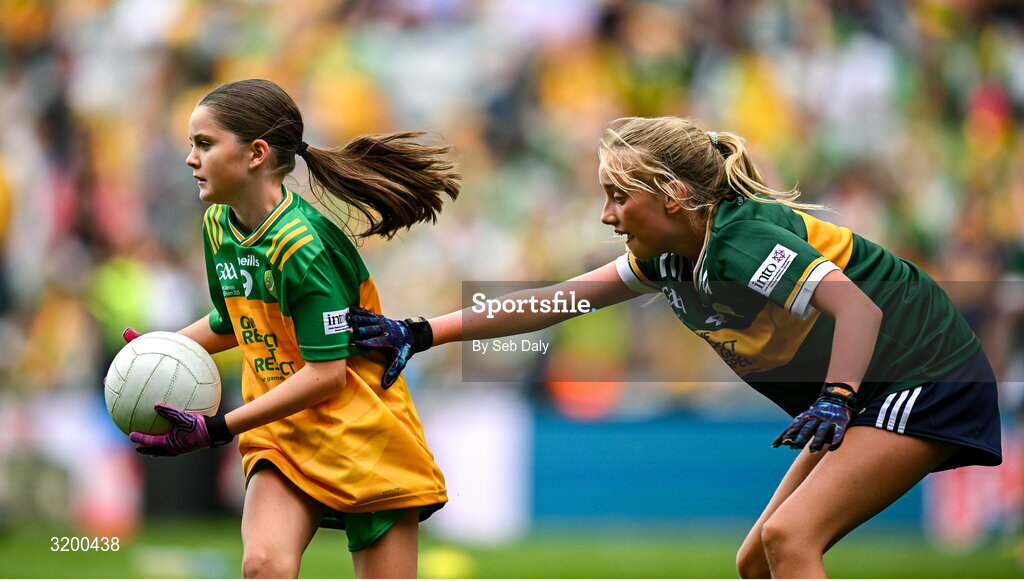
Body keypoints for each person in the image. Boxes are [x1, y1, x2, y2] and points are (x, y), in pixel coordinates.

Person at [346, 116, 1002, 578]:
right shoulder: (668, 256)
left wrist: (835, 398)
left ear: (675, 196)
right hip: (873, 389)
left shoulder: (740, 240)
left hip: (924, 373)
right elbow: (554, 300)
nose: (605, 216)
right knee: (758, 561)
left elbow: (854, 307)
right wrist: (422, 330)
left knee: (788, 537)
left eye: (616, 197)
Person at [124, 78, 459, 579]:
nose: (190, 159)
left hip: (361, 437)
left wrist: (216, 429)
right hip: (281, 433)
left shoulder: (303, 246)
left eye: (204, 144)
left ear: (256, 153)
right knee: (263, 566)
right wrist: (163, 348)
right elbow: (234, 319)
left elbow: (328, 376)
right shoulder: (218, 224)